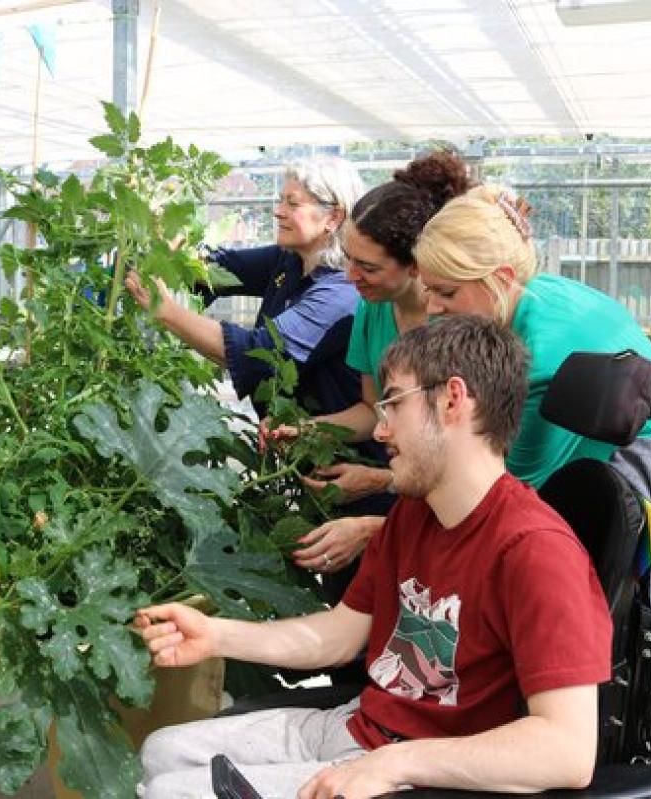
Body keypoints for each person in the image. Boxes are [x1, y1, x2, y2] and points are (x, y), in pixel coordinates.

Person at [135, 316, 612, 799]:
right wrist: (214, 634)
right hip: (361, 728)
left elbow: (567, 750)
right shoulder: (414, 514)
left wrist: (396, 762)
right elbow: (340, 635)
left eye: (394, 404)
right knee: (161, 752)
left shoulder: (535, 550)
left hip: (423, 772)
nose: (379, 429)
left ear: (452, 399)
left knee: (174, 793)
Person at [411, 184, 651, 641]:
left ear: (501, 275)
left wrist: (390, 521)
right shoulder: (536, 293)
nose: (432, 307)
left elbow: (506, 493)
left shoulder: (542, 358)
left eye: (446, 292)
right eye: (428, 290)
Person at [126, 157, 391, 601]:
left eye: (292, 202)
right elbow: (217, 268)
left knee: (359, 594)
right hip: (305, 456)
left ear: (334, 216)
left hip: (358, 471)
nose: (278, 210)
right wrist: (167, 250)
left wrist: (166, 311)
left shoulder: (341, 294)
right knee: (333, 582)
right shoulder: (289, 262)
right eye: (279, 199)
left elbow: (258, 354)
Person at [274, 151, 473, 580]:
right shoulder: (373, 309)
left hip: (454, 499)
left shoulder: (459, 325)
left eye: (367, 267)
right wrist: (309, 431)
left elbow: (472, 467)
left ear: (416, 266)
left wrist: (380, 490)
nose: (350, 276)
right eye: (348, 258)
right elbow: (372, 410)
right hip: (408, 483)